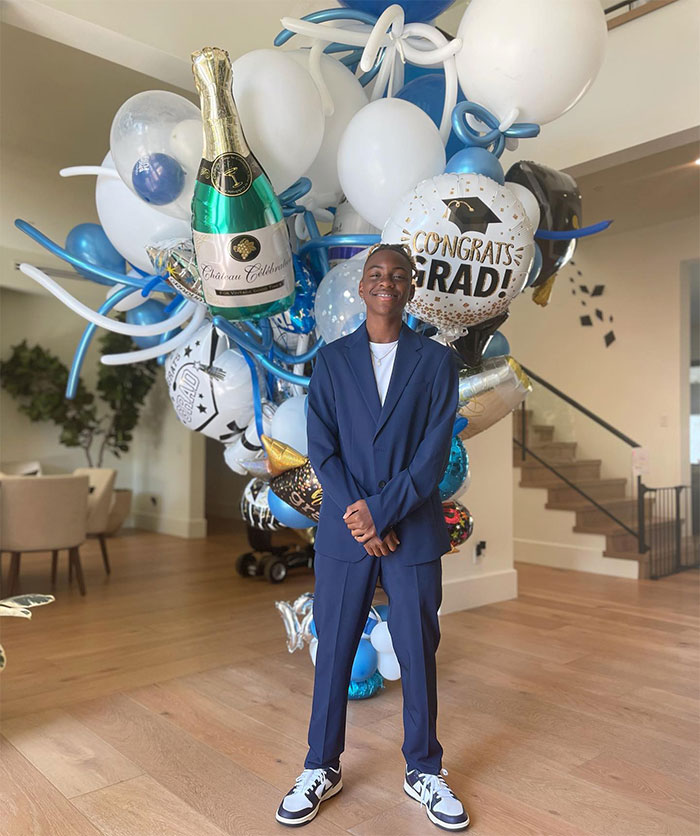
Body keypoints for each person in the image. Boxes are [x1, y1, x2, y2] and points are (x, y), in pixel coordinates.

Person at [275, 243, 469, 831]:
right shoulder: (330, 361)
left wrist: (380, 514)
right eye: (376, 274)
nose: (387, 283)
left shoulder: (437, 363)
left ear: (411, 288)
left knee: (417, 651)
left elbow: (434, 455)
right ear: (361, 287)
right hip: (345, 533)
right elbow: (323, 450)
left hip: (409, 529)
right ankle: (320, 765)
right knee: (332, 649)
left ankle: (424, 770)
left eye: (398, 275)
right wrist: (362, 518)